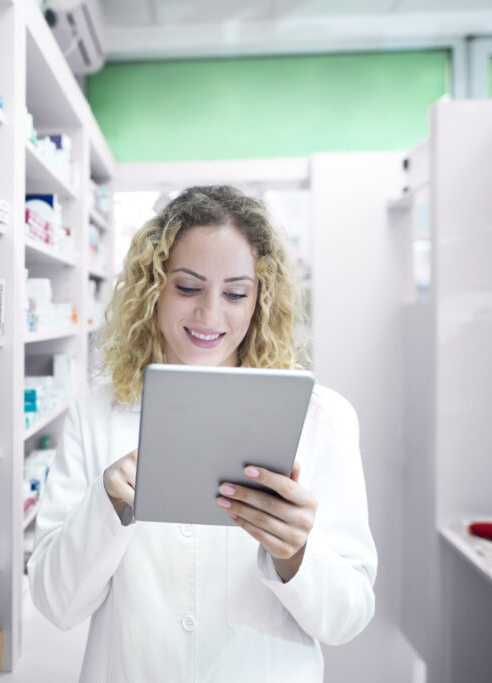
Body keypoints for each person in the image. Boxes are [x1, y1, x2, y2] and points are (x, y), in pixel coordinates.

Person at [27, 185, 377, 682]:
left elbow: (348, 618)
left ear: (260, 300)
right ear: (153, 286)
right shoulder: (96, 414)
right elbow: (55, 604)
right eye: (188, 288)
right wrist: (107, 506)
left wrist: (296, 555)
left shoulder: (323, 418)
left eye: (235, 293)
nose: (210, 315)